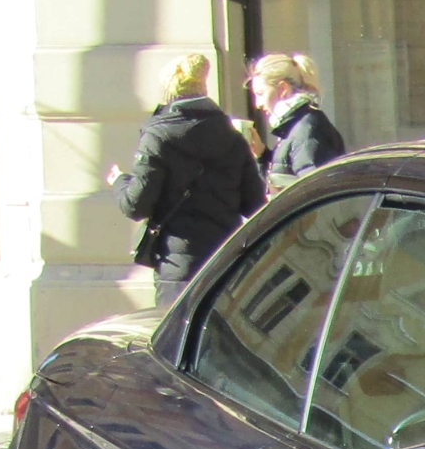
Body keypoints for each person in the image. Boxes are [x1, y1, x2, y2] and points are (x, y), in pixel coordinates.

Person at [106, 52, 265, 302]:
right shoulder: (231, 136)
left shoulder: (159, 135)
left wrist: (119, 181)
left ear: (168, 94)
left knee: (176, 340)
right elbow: (254, 204)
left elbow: (136, 205)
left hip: (178, 266)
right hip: (225, 262)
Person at [247, 53, 347, 190]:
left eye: (260, 93)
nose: (258, 104)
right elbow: (286, 178)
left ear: (283, 89)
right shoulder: (297, 126)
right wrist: (262, 154)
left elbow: (315, 194)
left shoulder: (307, 130)